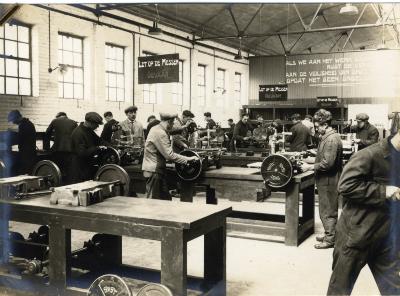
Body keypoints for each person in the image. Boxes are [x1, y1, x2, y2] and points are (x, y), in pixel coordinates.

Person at [326, 123, 400, 295]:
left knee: (394, 289)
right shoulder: (370, 155)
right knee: (340, 289)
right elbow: (345, 186)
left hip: (386, 238)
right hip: (356, 237)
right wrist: (384, 191)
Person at [301, 109, 343, 249]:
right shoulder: (327, 137)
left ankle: (330, 239)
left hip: (329, 180)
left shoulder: (331, 139)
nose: (316, 129)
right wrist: (310, 160)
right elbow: (323, 159)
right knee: (326, 208)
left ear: (325, 124)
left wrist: (309, 167)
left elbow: (327, 164)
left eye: (318, 126)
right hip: (326, 179)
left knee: (328, 209)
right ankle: (329, 234)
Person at [142, 112, 197, 200]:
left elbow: (172, 130)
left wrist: (185, 126)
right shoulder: (160, 133)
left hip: (156, 169)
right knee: (152, 202)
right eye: (173, 123)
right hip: (154, 171)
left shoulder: (157, 128)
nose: (173, 125)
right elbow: (169, 155)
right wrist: (188, 159)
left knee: (166, 200)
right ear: (170, 121)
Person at [70, 112, 109, 182]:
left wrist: (112, 146)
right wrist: (97, 148)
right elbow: (82, 153)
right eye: (96, 124)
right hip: (79, 168)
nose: (97, 126)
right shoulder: (78, 133)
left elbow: (100, 140)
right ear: (90, 123)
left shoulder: (88, 130)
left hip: (87, 166)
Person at [45, 112, 77, 183]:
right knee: (69, 169)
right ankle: (68, 183)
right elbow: (76, 136)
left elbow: (47, 133)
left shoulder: (55, 121)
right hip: (70, 150)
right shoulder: (74, 122)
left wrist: (47, 148)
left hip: (58, 150)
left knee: (58, 168)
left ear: (58, 116)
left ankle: (59, 183)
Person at [7, 110, 37, 175]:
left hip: (26, 155)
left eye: (14, 121)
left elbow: (20, 139)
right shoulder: (28, 123)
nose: (14, 123)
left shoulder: (23, 125)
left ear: (17, 118)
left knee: (24, 173)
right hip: (30, 153)